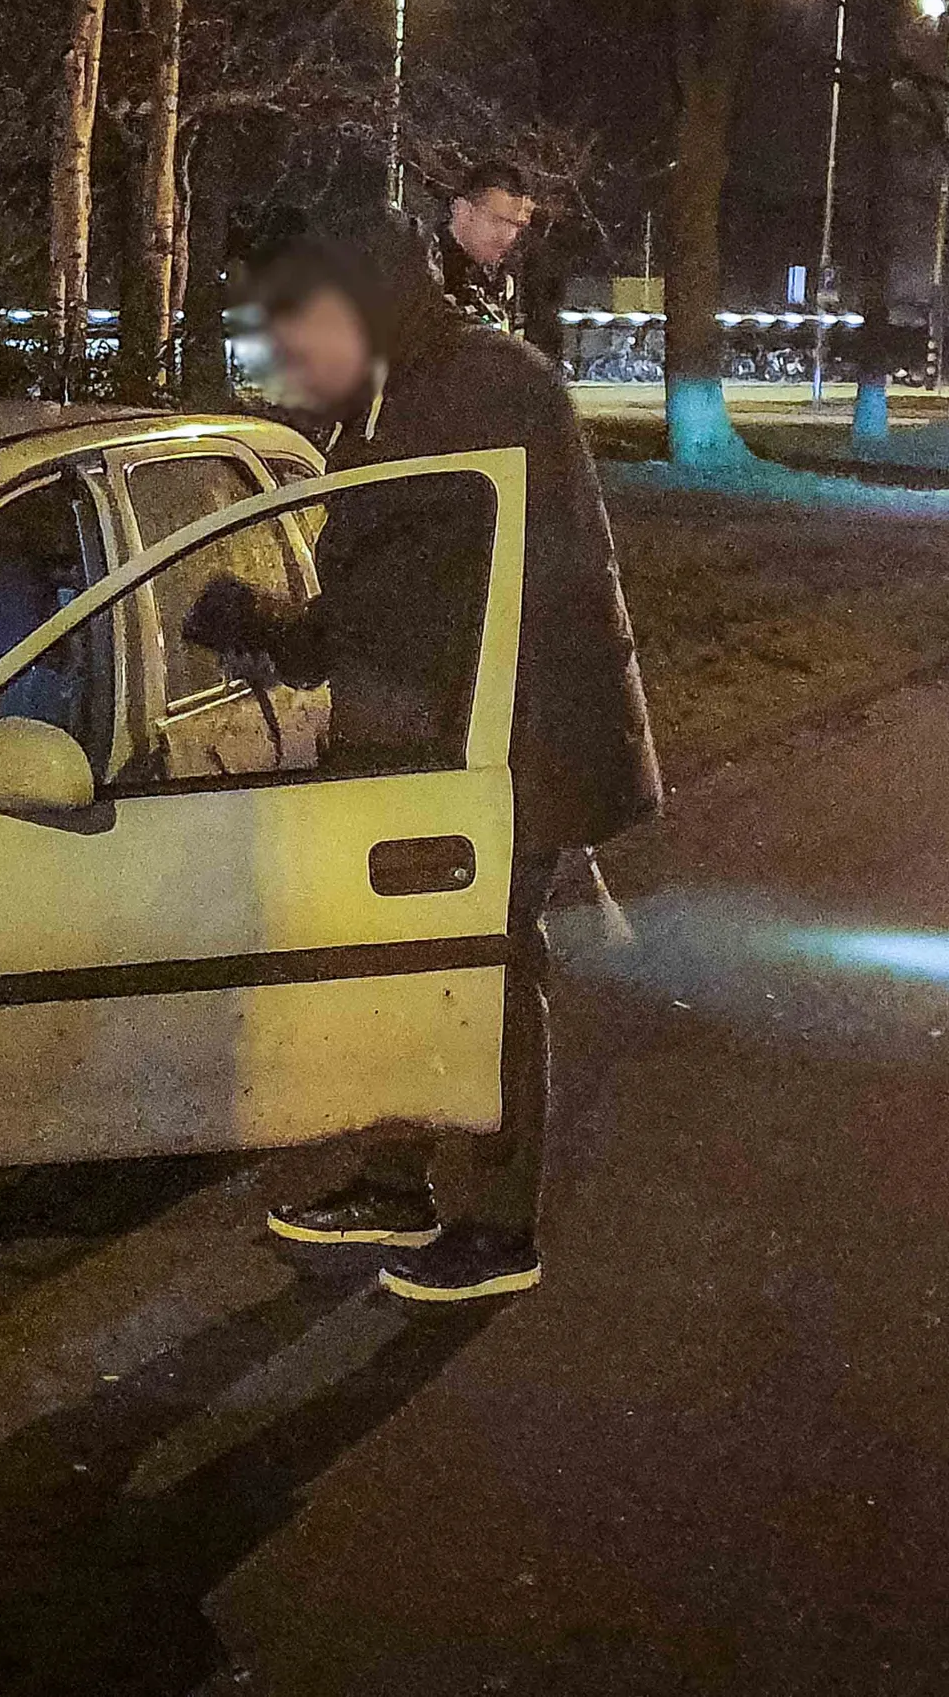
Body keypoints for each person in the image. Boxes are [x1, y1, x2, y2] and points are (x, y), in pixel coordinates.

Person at [203, 212, 662, 1302]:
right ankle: (397, 1179)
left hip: (521, 739)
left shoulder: (466, 394)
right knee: (420, 962)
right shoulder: (427, 380)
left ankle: (502, 1230)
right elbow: (398, 580)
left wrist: (265, 625)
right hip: (463, 729)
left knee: (492, 972)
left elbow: (381, 592)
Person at [433, 159, 539, 342]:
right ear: (462, 210)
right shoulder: (423, 269)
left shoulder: (514, 278)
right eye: (497, 221)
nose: (509, 235)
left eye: (518, 226)